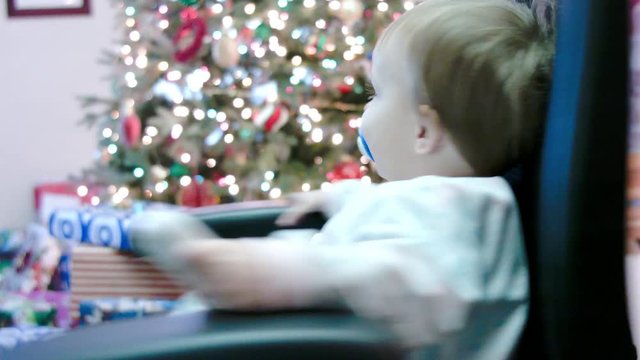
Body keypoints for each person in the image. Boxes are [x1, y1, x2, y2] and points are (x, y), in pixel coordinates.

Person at [135, 0, 554, 358]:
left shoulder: (444, 224)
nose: (364, 113)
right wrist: (339, 199)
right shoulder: (477, 203)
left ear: (423, 132)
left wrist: (251, 271)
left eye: (376, 95)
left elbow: (392, 273)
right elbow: (399, 219)